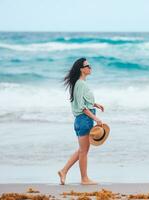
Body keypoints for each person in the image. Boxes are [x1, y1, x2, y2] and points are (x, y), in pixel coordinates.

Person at [58, 57, 104, 185]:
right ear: (81, 69)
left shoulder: (80, 84)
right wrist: (96, 118)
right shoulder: (80, 84)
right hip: (84, 120)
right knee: (84, 151)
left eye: (89, 65)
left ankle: (64, 171)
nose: (90, 67)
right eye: (87, 65)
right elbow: (81, 107)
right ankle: (84, 179)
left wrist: (95, 104)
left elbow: (83, 102)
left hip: (83, 120)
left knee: (82, 150)